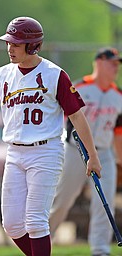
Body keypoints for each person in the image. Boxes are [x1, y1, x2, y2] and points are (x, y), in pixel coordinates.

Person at [0, 16, 102, 256]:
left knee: (36, 221)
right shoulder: (4, 74)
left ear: (33, 45)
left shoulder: (54, 74)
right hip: (14, 152)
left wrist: (93, 156)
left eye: (16, 43)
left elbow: (77, 117)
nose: (10, 48)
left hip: (45, 151)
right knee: (13, 226)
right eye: (9, 42)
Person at [49, 47, 122, 256]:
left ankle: (100, 250)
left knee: (104, 202)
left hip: (104, 154)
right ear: (99, 62)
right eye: (112, 62)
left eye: (118, 64)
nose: (116, 67)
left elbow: (118, 131)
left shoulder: (118, 96)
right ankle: (41, 244)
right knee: (63, 201)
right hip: (75, 150)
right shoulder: (79, 87)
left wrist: (121, 159)